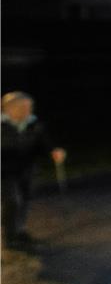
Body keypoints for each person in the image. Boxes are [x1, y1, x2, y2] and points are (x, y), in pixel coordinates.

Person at [1, 91, 66, 250]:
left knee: (24, 199)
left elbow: (45, 143)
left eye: (29, 107)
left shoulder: (34, 124)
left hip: (27, 169)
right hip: (4, 171)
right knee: (12, 201)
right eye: (23, 108)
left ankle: (21, 231)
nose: (28, 111)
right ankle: (10, 236)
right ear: (9, 109)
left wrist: (54, 151)